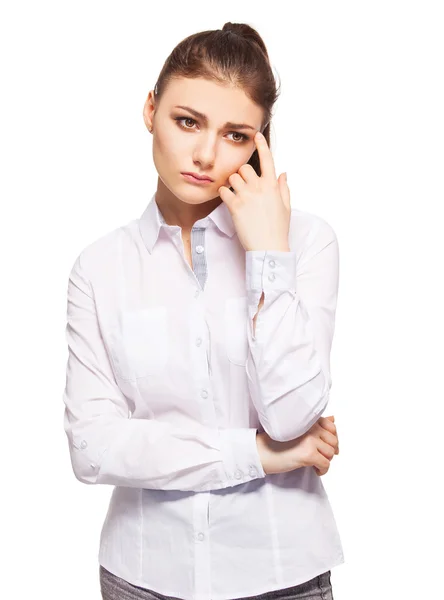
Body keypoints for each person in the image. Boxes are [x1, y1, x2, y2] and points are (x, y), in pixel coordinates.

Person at [62, 21, 344, 600]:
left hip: (281, 574)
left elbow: (292, 415)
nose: (206, 154)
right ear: (150, 109)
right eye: (187, 122)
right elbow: (93, 448)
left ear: (261, 142)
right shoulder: (99, 268)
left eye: (236, 134)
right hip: (144, 574)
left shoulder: (306, 242)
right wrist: (259, 454)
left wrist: (268, 254)